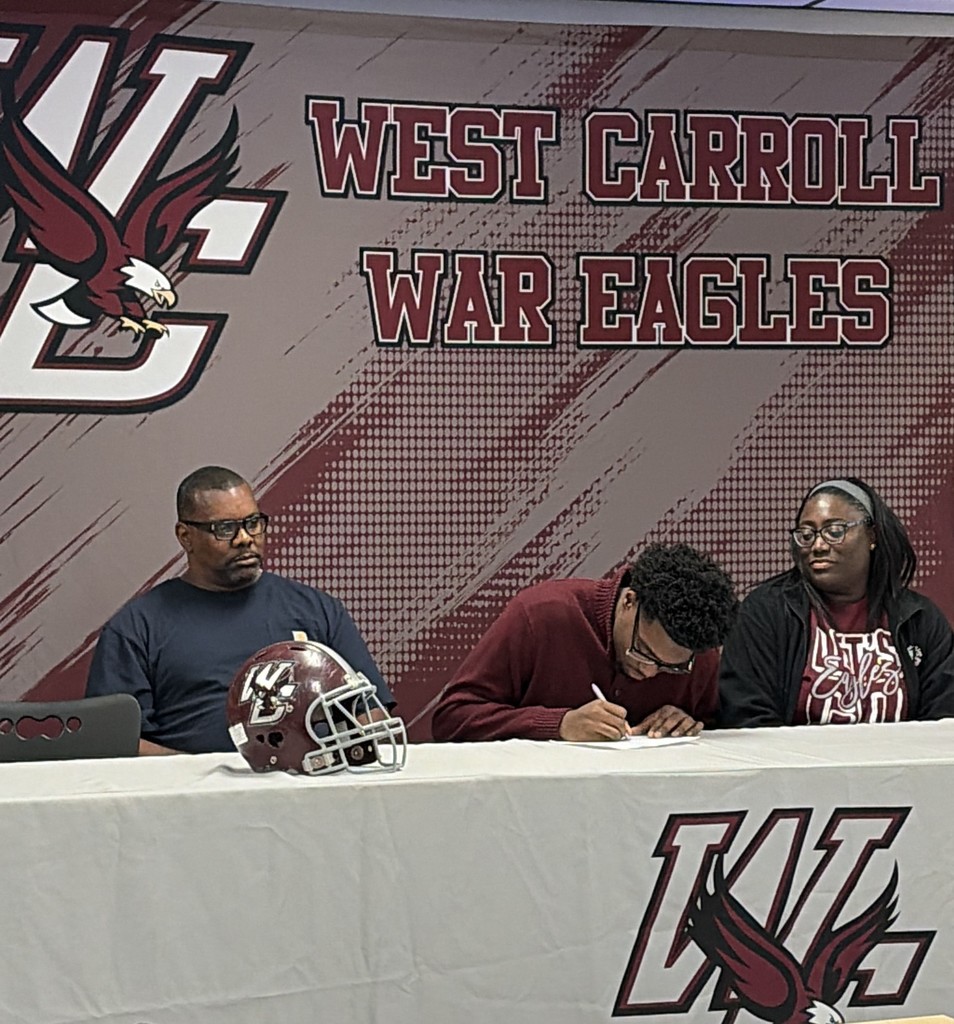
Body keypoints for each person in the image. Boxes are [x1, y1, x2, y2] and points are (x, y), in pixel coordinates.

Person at [86, 466, 392, 755]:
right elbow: (115, 741)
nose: (245, 539)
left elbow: (371, 711)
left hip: (308, 790)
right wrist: (200, 777)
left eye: (253, 523)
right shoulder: (138, 627)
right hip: (190, 802)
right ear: (185, 537)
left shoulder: (318, 611)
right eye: (225, 528)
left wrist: (315, 760)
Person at [430, 542, 738, 742]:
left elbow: (713, 733)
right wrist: (560, 725)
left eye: (670, 667)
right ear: (630, 600)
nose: (649, 673)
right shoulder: (542, 615)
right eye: (642, 651)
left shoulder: (698, 649)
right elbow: (452, 719)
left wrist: (686, 726)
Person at [718, 477, 954, 728]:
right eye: (806, 534)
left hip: (897, 766)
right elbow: (746, 715)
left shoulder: (920, 618)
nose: (818, 546)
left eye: (834, 531)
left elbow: (943, 720)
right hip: (794, 765)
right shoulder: (766, 611)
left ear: (872, 535)